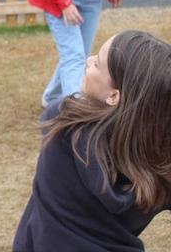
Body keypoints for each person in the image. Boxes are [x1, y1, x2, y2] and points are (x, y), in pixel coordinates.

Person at [14, 30, 171, 250]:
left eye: (97, 63)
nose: (88, 61)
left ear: (114, 96)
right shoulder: (161, 159)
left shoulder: (62, 123)